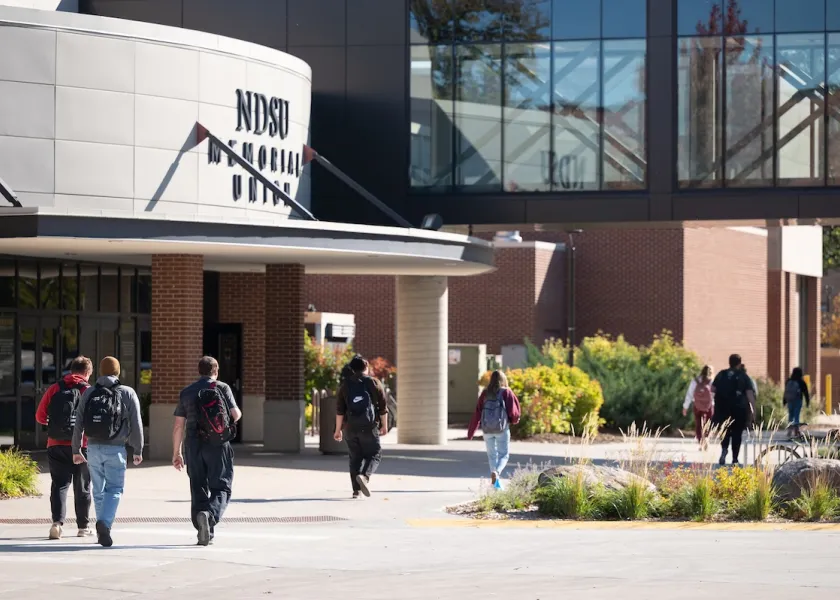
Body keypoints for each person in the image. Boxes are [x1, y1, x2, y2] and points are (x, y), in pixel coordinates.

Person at [72, 356, 144, 548]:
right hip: (116, 448)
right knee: (114, 488)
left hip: (93, 449)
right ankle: (104, 524)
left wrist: (76, 448)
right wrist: (137, 449)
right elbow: (136, 422)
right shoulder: (127, 392)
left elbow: (79, 422)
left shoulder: (89, 392)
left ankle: (101, 530)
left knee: (98, 490)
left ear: (100, 372)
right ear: (118, 372)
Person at [172, 356, 242, 546]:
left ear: (199, 371)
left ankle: (203, 531)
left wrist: (176, 452)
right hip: (218, 444)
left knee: (198, 487)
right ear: (216, 371)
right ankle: (209, 516)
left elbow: (178, 425)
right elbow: (236, 414)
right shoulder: (222, 388)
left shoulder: (187, 392)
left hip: (193, 445)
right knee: (222, 486)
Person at [35, 356, 94, 540]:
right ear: (87, 372)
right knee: (82, 486)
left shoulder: (55, 388)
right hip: (82, 446)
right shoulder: (88, 390)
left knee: (59, 485)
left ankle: (57, 524)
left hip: (55, 444)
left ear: (71, 370)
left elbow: (40, 416)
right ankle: (83, 527)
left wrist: (54, 424)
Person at [334, 355, 388, 499]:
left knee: (355, 457)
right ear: (366, 367)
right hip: (369, 426)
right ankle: (364, 476)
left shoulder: (345, 385)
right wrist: (384, 426)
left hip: (350, 427)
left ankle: (356, 491)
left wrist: (338, 430)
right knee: (375, 453)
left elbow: (340, 410)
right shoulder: (374, 383)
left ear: (352, 369)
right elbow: (383, 408)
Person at [467, 370, 521, 488]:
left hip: (487, 430)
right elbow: (514, 412)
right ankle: (496, 473)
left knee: (492, 456)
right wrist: (514, 420)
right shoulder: (506, 392)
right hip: (502, 429)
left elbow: (477, 412)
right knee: (503, 455)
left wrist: (471, 431)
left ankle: (496, 484)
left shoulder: (485, 393)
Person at [711, 354, 756, 466]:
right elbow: (750, 395)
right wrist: (753, 410)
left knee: (724, 431)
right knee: (737, 433)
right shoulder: (743, 376)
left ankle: (724, 449)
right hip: (738, 409)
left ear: (729, 362)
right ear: (739, 363)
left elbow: (712, 390)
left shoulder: (721, 374)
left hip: (722, 408)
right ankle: (735, 458)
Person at [682, 365, 714, 449]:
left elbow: (689, 394)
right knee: (708, 423)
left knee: (698, 424)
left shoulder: (695, 380)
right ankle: (706, 438)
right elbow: (715, 394)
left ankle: (701, 442)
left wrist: (685, 407)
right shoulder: (712, 381)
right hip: (709, 406)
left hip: (697, 405)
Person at [783, 367, 810, 440]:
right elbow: (806, 393)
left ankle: (789, 431)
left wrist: (784, 401)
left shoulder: (788, 381)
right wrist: (807, 402)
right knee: (796, 416)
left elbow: (785, 391)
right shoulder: (801, 382)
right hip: (798, 400)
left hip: (790, 400)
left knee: (790, 416)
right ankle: (796, 431)